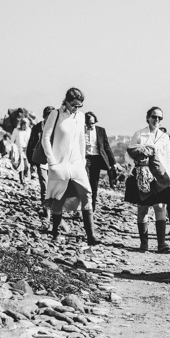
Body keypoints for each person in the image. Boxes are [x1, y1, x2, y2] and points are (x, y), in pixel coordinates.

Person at [41, 88, 99, 245]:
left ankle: (91, 236)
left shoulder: (80, 117)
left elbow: (81, 139)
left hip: (77, 163)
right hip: (59, 163)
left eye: (80, 106)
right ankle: (55, 232)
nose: (77, 108)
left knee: (87, 193)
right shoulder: (56, 114)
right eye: (74, 105)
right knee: (59, 196)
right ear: (66, 101)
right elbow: (45, 138)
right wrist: (52, 162)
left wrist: (83, 159)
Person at [125, 106, 170, 253]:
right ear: (148, 118)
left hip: (159, 176)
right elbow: (129, 154)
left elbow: (167, 159)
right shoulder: (139, 134)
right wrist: (137, 167)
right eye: (154, 116)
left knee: (160, 207)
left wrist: (168, 179)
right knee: (142, 209)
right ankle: (144, 243)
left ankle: (161, 243)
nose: (157, 120)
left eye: (160, 118)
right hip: (142, 176)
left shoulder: (164, 137)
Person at [26, 106, 55, 219]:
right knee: (45, 186)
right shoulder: (37, 128)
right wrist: (32, 163)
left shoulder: (56, 127)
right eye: (48, 116)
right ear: (44, 116)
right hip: (41, 162)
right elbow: (30, 146)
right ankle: (47, 212)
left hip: (54, 162)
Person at [84, 111, 117, 212]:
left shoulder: (101, 131)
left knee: (94, 184)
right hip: (85, 159)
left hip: (97, 159)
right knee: (84, 183)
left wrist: (113, 162)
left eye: (93, 123)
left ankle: (91, 208)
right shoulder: (81, 130)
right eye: (89, 123)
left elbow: (107, 147)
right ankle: (83, 207)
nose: (91, 125)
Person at [10, 118, 31, 184]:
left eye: (27, 124)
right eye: (24, 124)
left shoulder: (29, 130)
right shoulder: (16, 130)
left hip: (27, 149)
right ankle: (21, 179)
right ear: (21, 124)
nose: (25, 126)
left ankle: (24, 176)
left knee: (27, 166)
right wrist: (13, 149)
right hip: (19, 149)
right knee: (21, 165)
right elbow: (12, 140)